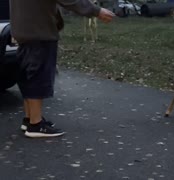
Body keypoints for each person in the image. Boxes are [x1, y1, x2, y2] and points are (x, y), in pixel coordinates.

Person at [10, 0, 115, 138]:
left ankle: (30, 119)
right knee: (38, 77)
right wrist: (96, 11)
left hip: (23, 32)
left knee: (27, 76)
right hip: (39, 32)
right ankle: (35, 125)